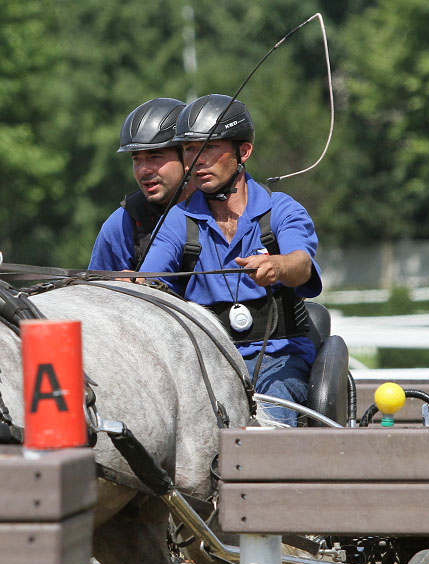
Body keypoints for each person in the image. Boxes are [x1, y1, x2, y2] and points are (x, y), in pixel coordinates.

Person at [139, 94, 323, 426]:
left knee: (271, 416)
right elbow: (151, 276)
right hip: (206, 367)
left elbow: (302, 264)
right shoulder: (177, 219)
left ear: (244, 151)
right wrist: (133, 282)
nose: (197, 161)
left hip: (278, 363)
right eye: (190, 150)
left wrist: (279, 266)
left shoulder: (281, 210)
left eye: (209, 147)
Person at [88, 98, 195, 271]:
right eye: (137, 159)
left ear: (187, 157)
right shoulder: (122, 224)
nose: (144, 170)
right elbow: (93, 294)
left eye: (155, 157)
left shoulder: (219, 211)